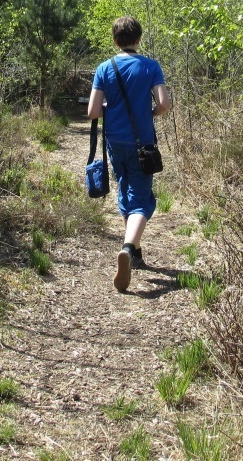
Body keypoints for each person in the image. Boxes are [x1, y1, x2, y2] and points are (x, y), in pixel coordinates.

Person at [87, 16, 170, 292]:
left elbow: (93, 112)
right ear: (139, 39)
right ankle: (126, 246)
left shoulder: (104, 68)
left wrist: (112, 108)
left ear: (115, 41)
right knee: (142, 200)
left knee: (125, 191)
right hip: (142, 143)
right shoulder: (150, 66)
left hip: (115, 142)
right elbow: (164, 104)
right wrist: (149, 114)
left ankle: (134, 252)